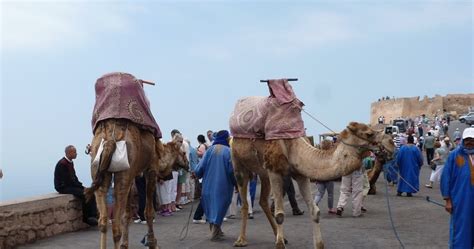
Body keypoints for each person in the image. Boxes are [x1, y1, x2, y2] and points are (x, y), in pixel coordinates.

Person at [194, 130, 236, 241]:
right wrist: (236, 183)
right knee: (220, 207)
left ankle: (216, 229)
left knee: (211, 206)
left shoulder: (209, 151)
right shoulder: (228, 152)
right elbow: (232, 171)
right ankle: (215, 231)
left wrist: (197, 174)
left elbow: (199, 168)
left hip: (208, 185)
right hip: (223, 186)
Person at [440, 126, 474, 249]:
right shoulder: (454, 155)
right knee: (461, 229)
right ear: (463, 140)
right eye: (467, 139)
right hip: (460, 200)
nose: (470, 142)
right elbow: (446, 178)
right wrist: (448, 200)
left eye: (472, 140)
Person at [54, 145, 98, 226]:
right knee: (85, 194)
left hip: (70, 185)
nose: (76, 154)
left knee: (90, 193)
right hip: (63, 187)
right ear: (69, 153)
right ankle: (87, 218)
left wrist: (81, 186)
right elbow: (68, 180)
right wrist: (80, 187)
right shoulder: (62, 164)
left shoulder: (70, 162)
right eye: (74, 152)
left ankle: (93, 216)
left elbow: (74, 177)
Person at [336, 150, 371, 217]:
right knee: (357, 191)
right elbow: (367, 155)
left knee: (344, 190)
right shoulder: (361, 144)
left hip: (346, 168)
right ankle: (356, 212)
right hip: (357, 169)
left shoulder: (345, 144)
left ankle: (340, 206)